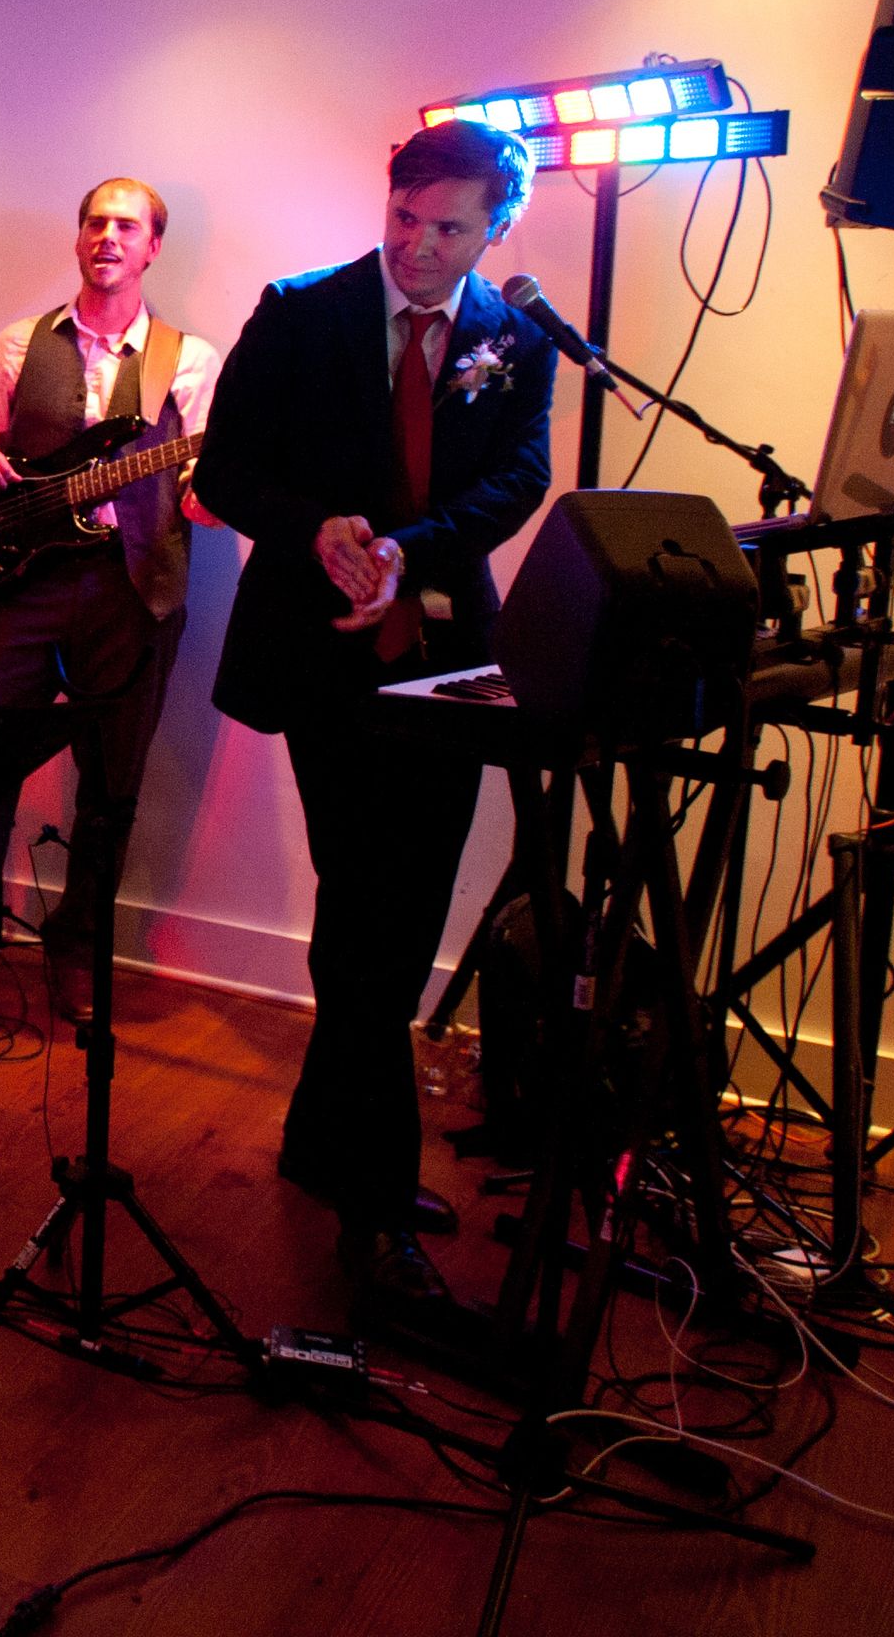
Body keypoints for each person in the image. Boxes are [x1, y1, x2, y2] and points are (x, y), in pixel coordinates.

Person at [193, 116, 556, 1317]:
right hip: (319, 654)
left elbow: (517, 477)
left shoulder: (515, 336)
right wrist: (316, 530)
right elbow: (222, 468)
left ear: (494, 226)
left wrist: (408, 547)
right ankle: (374, 1203)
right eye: (403, 215)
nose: (415, 243)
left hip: (445, 657)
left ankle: (320, 1137)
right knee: (365, 912)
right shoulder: (300, 311)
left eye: (446, 226)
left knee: (400, 913)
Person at [0, 178, 219, 1020]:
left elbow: (205, 477)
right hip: (24, 586)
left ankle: (79, 947)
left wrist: (207, 494)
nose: (108, 236)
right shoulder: (19, 343)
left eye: (127, 225)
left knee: (112, 784)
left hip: (132, 589)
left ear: (153, 247)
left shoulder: (190, 360)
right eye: (95, 222)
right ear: (78, 238)